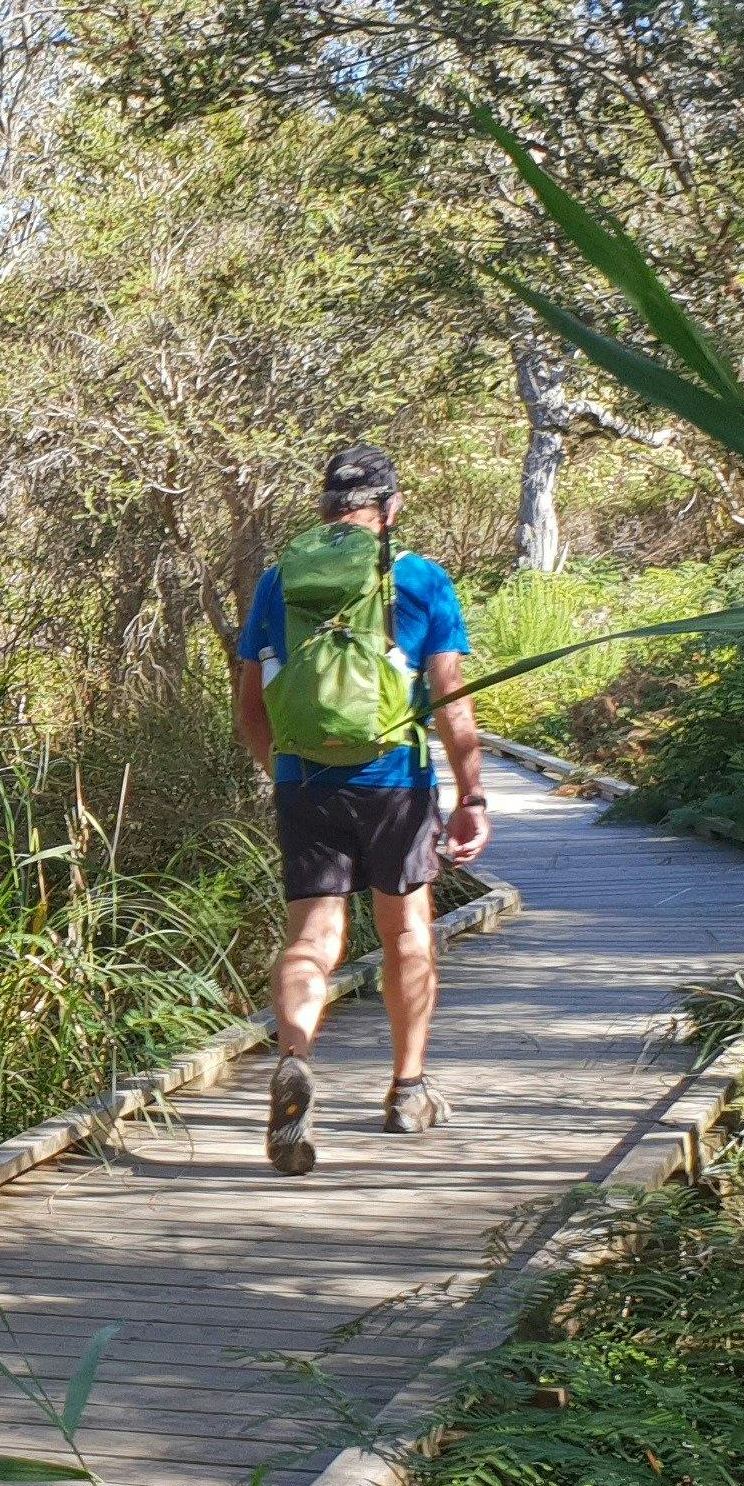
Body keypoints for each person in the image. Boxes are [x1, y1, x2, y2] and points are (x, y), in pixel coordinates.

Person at [230, 443, 491, 1172]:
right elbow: (450, 700)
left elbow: (249, 706)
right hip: (396, 785)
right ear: (392, 508)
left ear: (325, 508)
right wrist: (471, 794)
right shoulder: (420, 579)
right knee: (406, 930)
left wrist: (285, 772)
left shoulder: (280, 582)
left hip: (305, 782)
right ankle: (408, 1090)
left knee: (311, 936)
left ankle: (294, 1056)